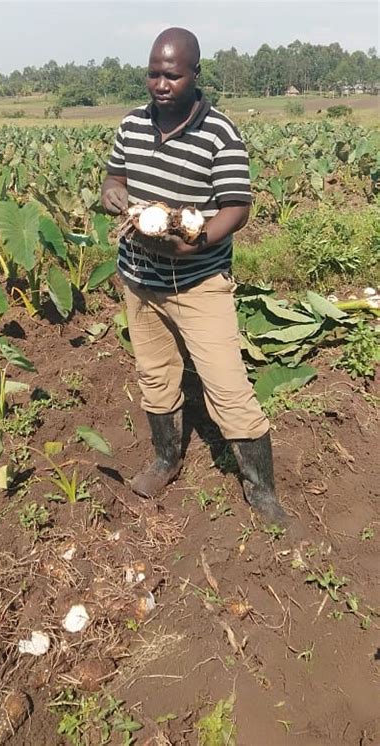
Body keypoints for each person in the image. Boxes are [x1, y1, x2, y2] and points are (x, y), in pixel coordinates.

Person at [101, 27, 287, 524]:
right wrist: (113, 194)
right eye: (153, 73)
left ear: (195, 74)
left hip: (199, 281)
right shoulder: (131, 126)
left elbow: (236, 208)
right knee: (155, 375)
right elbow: (113, 177)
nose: (161, 84)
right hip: (139, 278)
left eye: (172, 75)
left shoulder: (220, 132)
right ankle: (166, 458)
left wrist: (197, 241)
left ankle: (262, 492)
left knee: (226, 386)